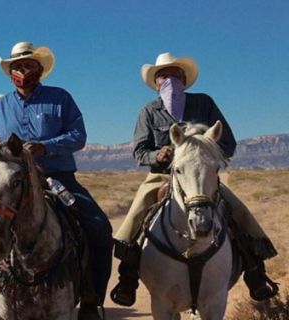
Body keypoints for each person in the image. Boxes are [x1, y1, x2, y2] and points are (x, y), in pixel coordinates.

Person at [0, 41, 113, 320]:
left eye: (28, 64)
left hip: (56, 178)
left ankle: (92, 300)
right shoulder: (1, 106)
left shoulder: (60, 99)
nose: (22, 70)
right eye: (17, 66)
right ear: (10, 72)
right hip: (8, 184)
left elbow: (78, 135)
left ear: (40, 69)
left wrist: (45, 147)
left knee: (98, 226)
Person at [110, 52, 278, 306]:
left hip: (199, 177)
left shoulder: (204, 104)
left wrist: (205, 151)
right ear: (156, 83)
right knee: (136, 215)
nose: (170, 79)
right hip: (161, 176)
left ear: (184, 79)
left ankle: (256, 274)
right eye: (163, 75)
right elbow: (139, 151)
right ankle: (128, 277)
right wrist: (160, 154)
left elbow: (227, 143)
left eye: (175, 75)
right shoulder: (149, 111)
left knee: (239, 213)